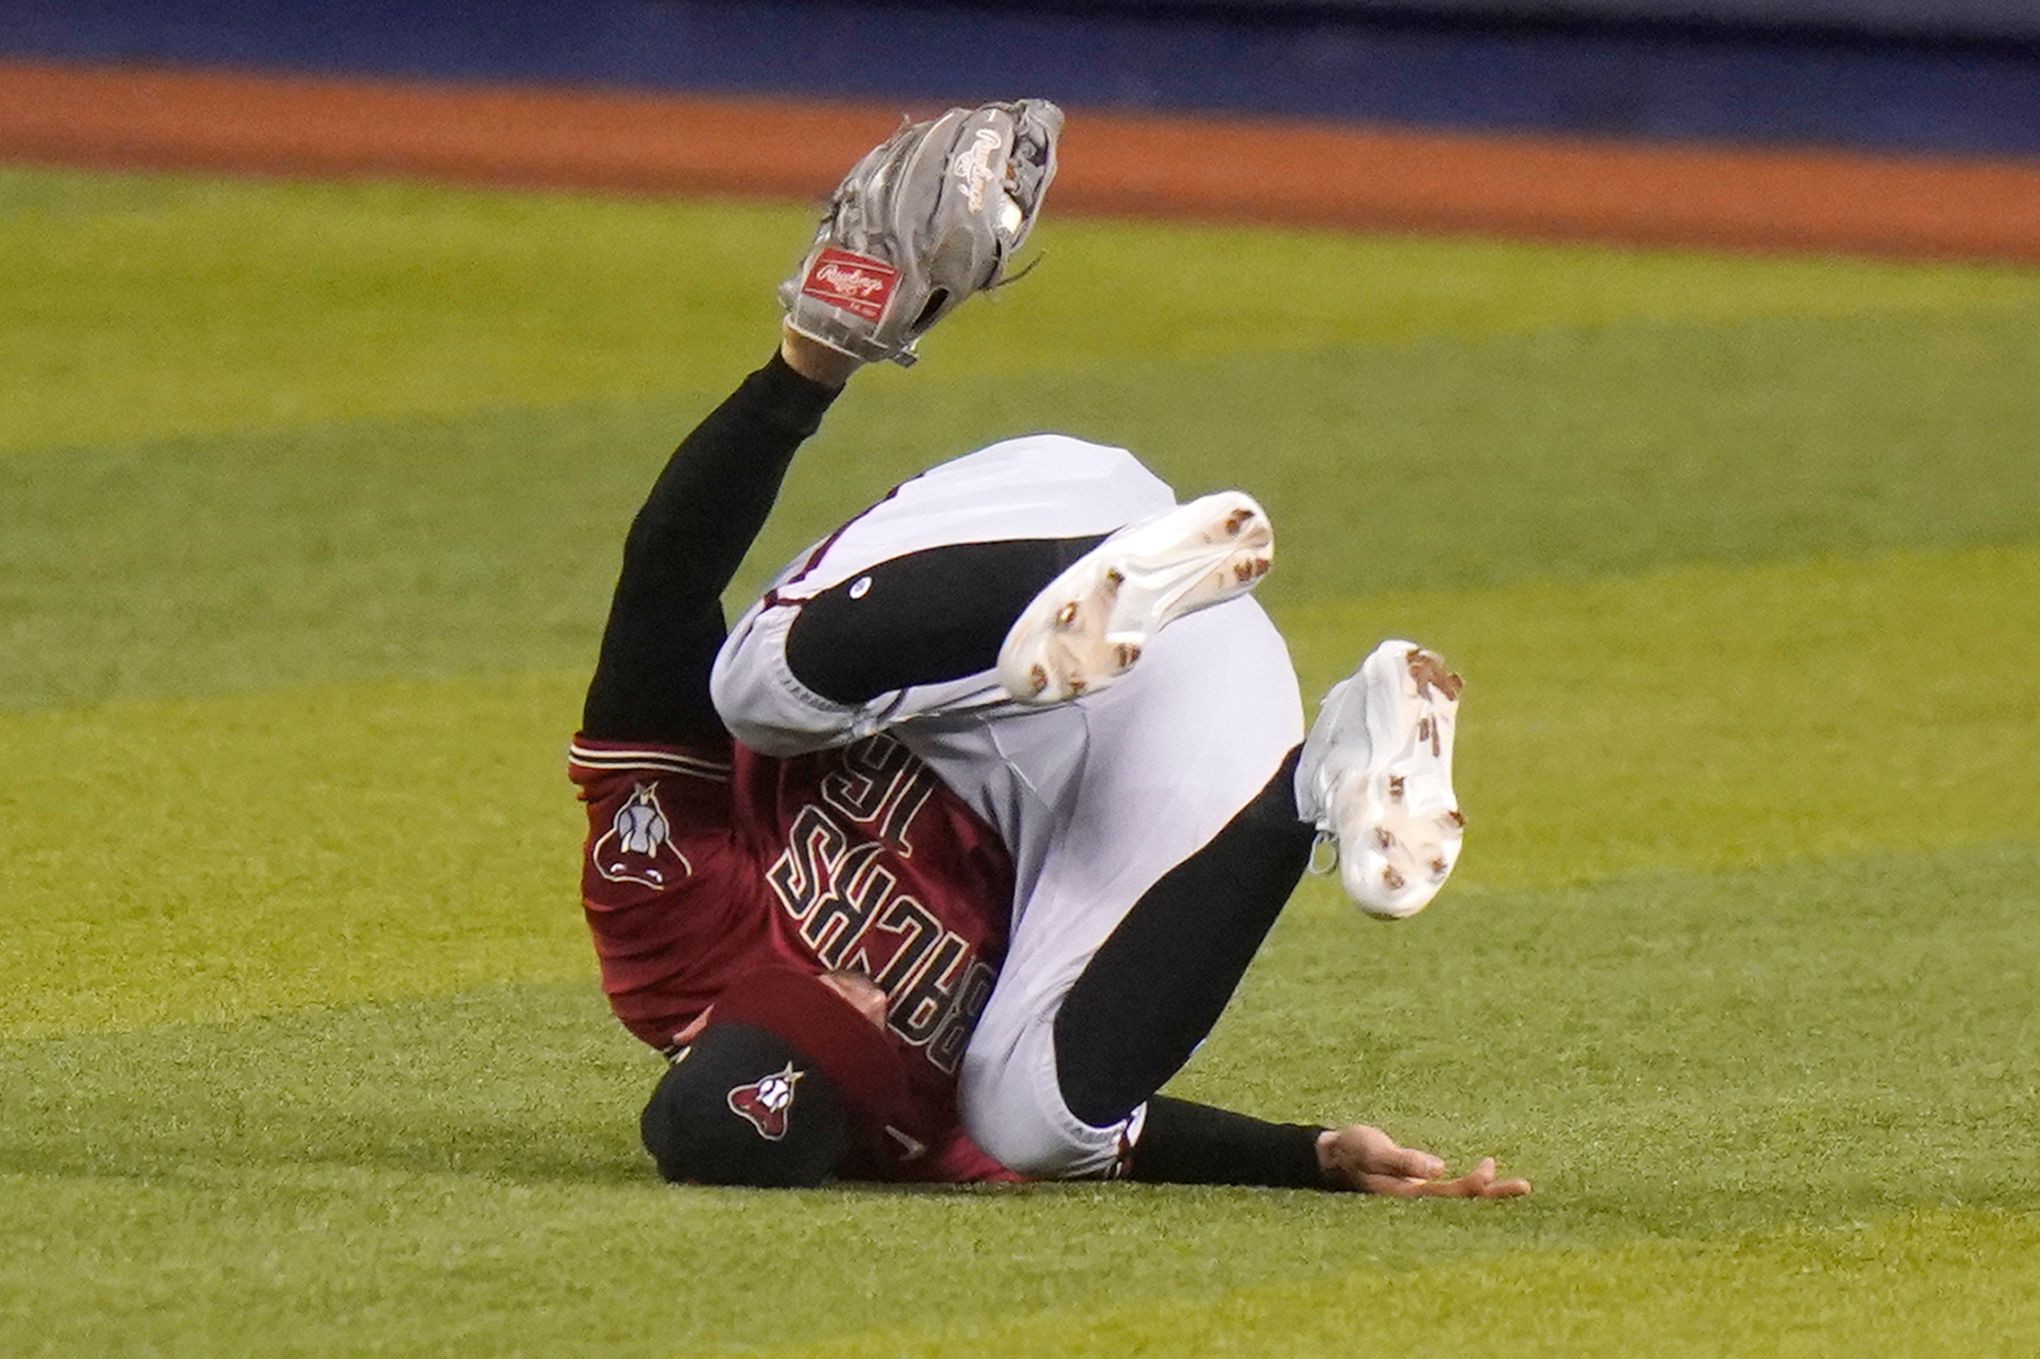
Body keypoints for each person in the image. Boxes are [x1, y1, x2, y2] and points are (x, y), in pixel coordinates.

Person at [569, 100, 1527, 1198]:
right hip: (1172, 725)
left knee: (748, 686)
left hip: (1015, 553)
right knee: (1035, 1128)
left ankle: (842, 336)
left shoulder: (666, 945)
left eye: (814, 1002)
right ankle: (1324, 777)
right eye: (858, 1049)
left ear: (708, 1026)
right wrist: (1307, 1156)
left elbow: (661, 589)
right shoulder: (904, 1138)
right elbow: (1123, 1122)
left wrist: (790, 386)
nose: (864, 1006)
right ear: (847, 1134)